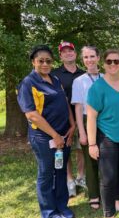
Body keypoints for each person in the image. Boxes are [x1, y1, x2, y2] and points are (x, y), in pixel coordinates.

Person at [17, 45, 76, 218]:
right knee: (46, 173)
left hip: (64, 135)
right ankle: (49, 212)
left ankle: (62, 207)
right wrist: (55, 135)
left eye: (48, 61)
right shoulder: (28, 83)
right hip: (44, 138)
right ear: (33, 62)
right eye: (41, 60)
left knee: (61, 170)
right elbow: (32, 115)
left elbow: (65, 102)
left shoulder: (55, 79)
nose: (45, 64)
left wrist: (72, 126)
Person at [87, 49, 119, 218]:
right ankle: (109, 213)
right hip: (106, 137)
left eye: (116, 61)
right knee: (108, 177)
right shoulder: (97, 87)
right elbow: (91, 117)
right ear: (104, 64)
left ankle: (117, 201)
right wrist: (92, 144)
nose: (113, 64)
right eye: (109, 61)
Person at [51, 41, 85, 197]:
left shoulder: (84, 74)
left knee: (80, 149)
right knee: (64, 150)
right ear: (61, 55)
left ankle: (81, 177)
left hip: (82, 118)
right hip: (62, 120)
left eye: (70, 50)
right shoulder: (54, 75)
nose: (68, 53)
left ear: (75, 53)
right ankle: (69, 179)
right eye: (64, 52)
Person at [71, 46, 103, 209]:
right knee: (90, 159)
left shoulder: (106, 77)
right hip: (86, 120)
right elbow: (77, 107)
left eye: (92, 56)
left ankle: (107, 191)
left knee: (106, 157)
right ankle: (94, 195)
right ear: (82, 60)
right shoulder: (79, 81)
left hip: (105, 120)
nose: (89, 60)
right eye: (86, 57)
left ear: (98, 57)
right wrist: (81, 131)